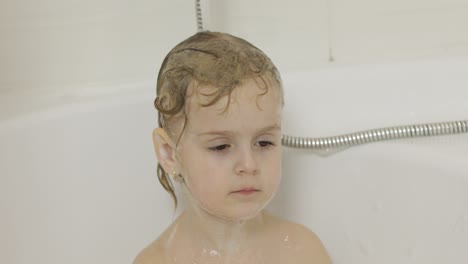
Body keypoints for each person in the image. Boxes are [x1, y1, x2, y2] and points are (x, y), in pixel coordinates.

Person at [133, 31, 331, 264]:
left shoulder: (301, 251)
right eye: (221, 146)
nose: (249, 165)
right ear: (169, 153)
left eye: (264, 142)